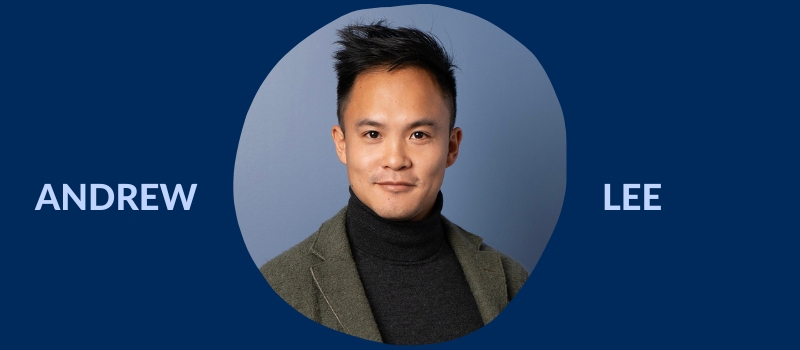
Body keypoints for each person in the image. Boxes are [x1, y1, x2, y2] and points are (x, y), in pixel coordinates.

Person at [260, 21, 528, 345]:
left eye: (419, 135)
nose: (395, 159)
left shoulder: (512, 282)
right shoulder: (278, 289)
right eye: (373, 134)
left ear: (451, 147)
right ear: (342, 144)